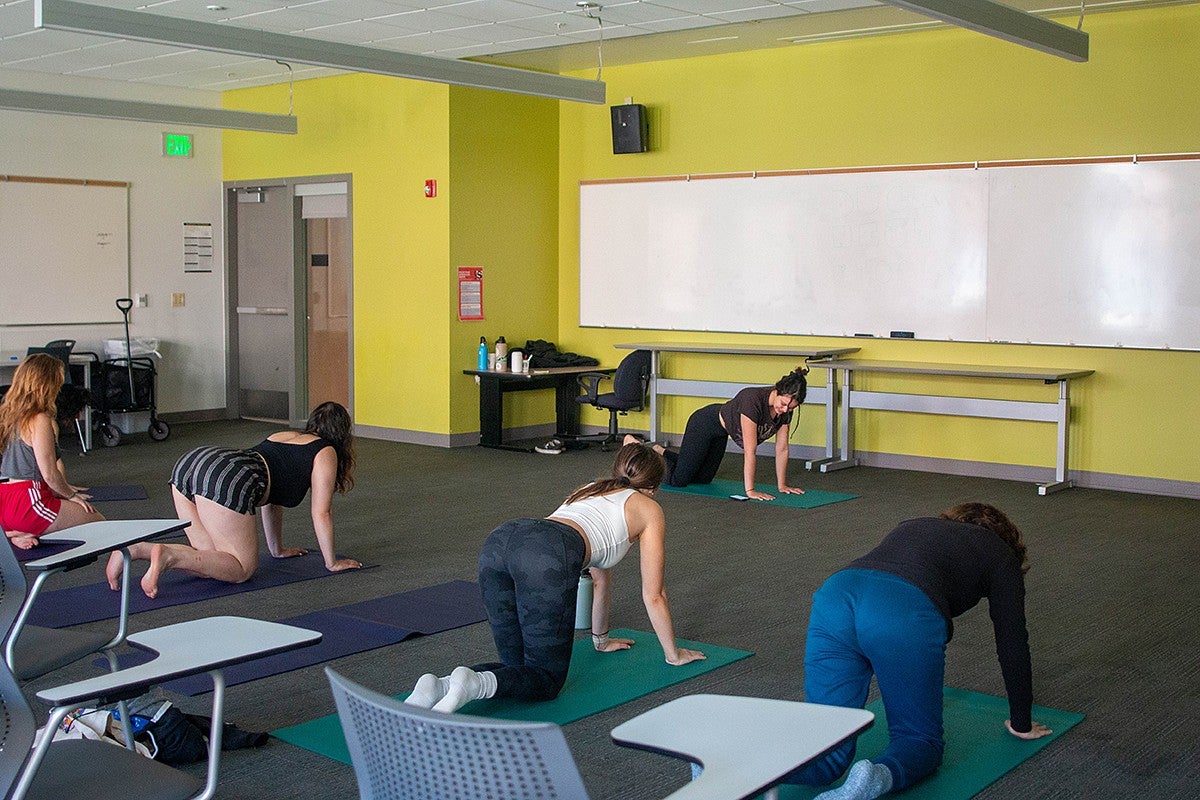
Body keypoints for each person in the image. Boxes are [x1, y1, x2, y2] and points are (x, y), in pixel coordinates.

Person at [405, 436, 705, 714]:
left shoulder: (593, 487)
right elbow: (654, 595)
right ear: (653, 487)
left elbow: (601, 577)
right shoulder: (650, 509)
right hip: (546, 556)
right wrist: (673, 654)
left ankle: (439, 685)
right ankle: (472, 685)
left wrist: (600, 640)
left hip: (500, 542)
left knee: (518, 667)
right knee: (546, 681)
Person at [790, 503, 1052, 800]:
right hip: (901, 610)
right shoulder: (1001, 554)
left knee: (825, 745)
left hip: (835, 596)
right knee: (918, 742)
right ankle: (874, 777)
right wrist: (1021, 722)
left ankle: (743, 765)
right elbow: (1012, 641)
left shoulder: (913, 523)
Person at [106, 401, 362, 598]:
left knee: (212, 561)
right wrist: (331, 562)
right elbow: (321, 512)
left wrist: (278, 550)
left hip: (193, 463)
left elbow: (274, 500)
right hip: (226, 476)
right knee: (241, 569)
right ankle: (167, 556)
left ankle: (137, 550)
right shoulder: (325, 451)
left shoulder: (284, 436)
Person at [654, 367, 808, 500]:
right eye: (783, 404)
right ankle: (648, 452)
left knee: (703, 479)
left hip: (721, 432)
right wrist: (750, 490)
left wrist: (782, 485)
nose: (785, 410)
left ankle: (662, 451)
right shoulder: (752, 399)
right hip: (703, 423)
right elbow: (750, 450)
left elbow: (782, 449)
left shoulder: (785, 411)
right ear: (777, 391)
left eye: (791, 408)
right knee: (678, 480)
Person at [0, 353, 104, 549]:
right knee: (99, 522)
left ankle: (17, 532)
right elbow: (49, 473)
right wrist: (72, 496)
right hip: (28, 502)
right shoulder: (39, 419)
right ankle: (26, 529)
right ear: (47, 383)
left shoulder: (8, 415)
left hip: (5, 501)